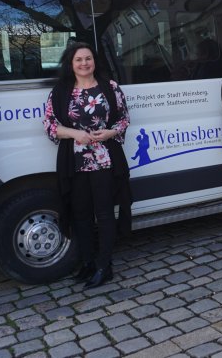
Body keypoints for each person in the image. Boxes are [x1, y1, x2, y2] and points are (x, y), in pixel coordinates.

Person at [43, 42, 131, 290]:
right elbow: (49, 125)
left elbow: (124, 119)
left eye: (88, 58)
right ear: (71, 64)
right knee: (80, 215)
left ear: (94, 61)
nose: (84, 63)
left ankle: (104, 265)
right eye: (79, 59)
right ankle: (88, 263)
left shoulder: (110, 87)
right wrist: (74, 133)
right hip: (75, 162)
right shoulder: (60, 91)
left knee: (104, 214)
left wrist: (111, 132)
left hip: (104, 160)